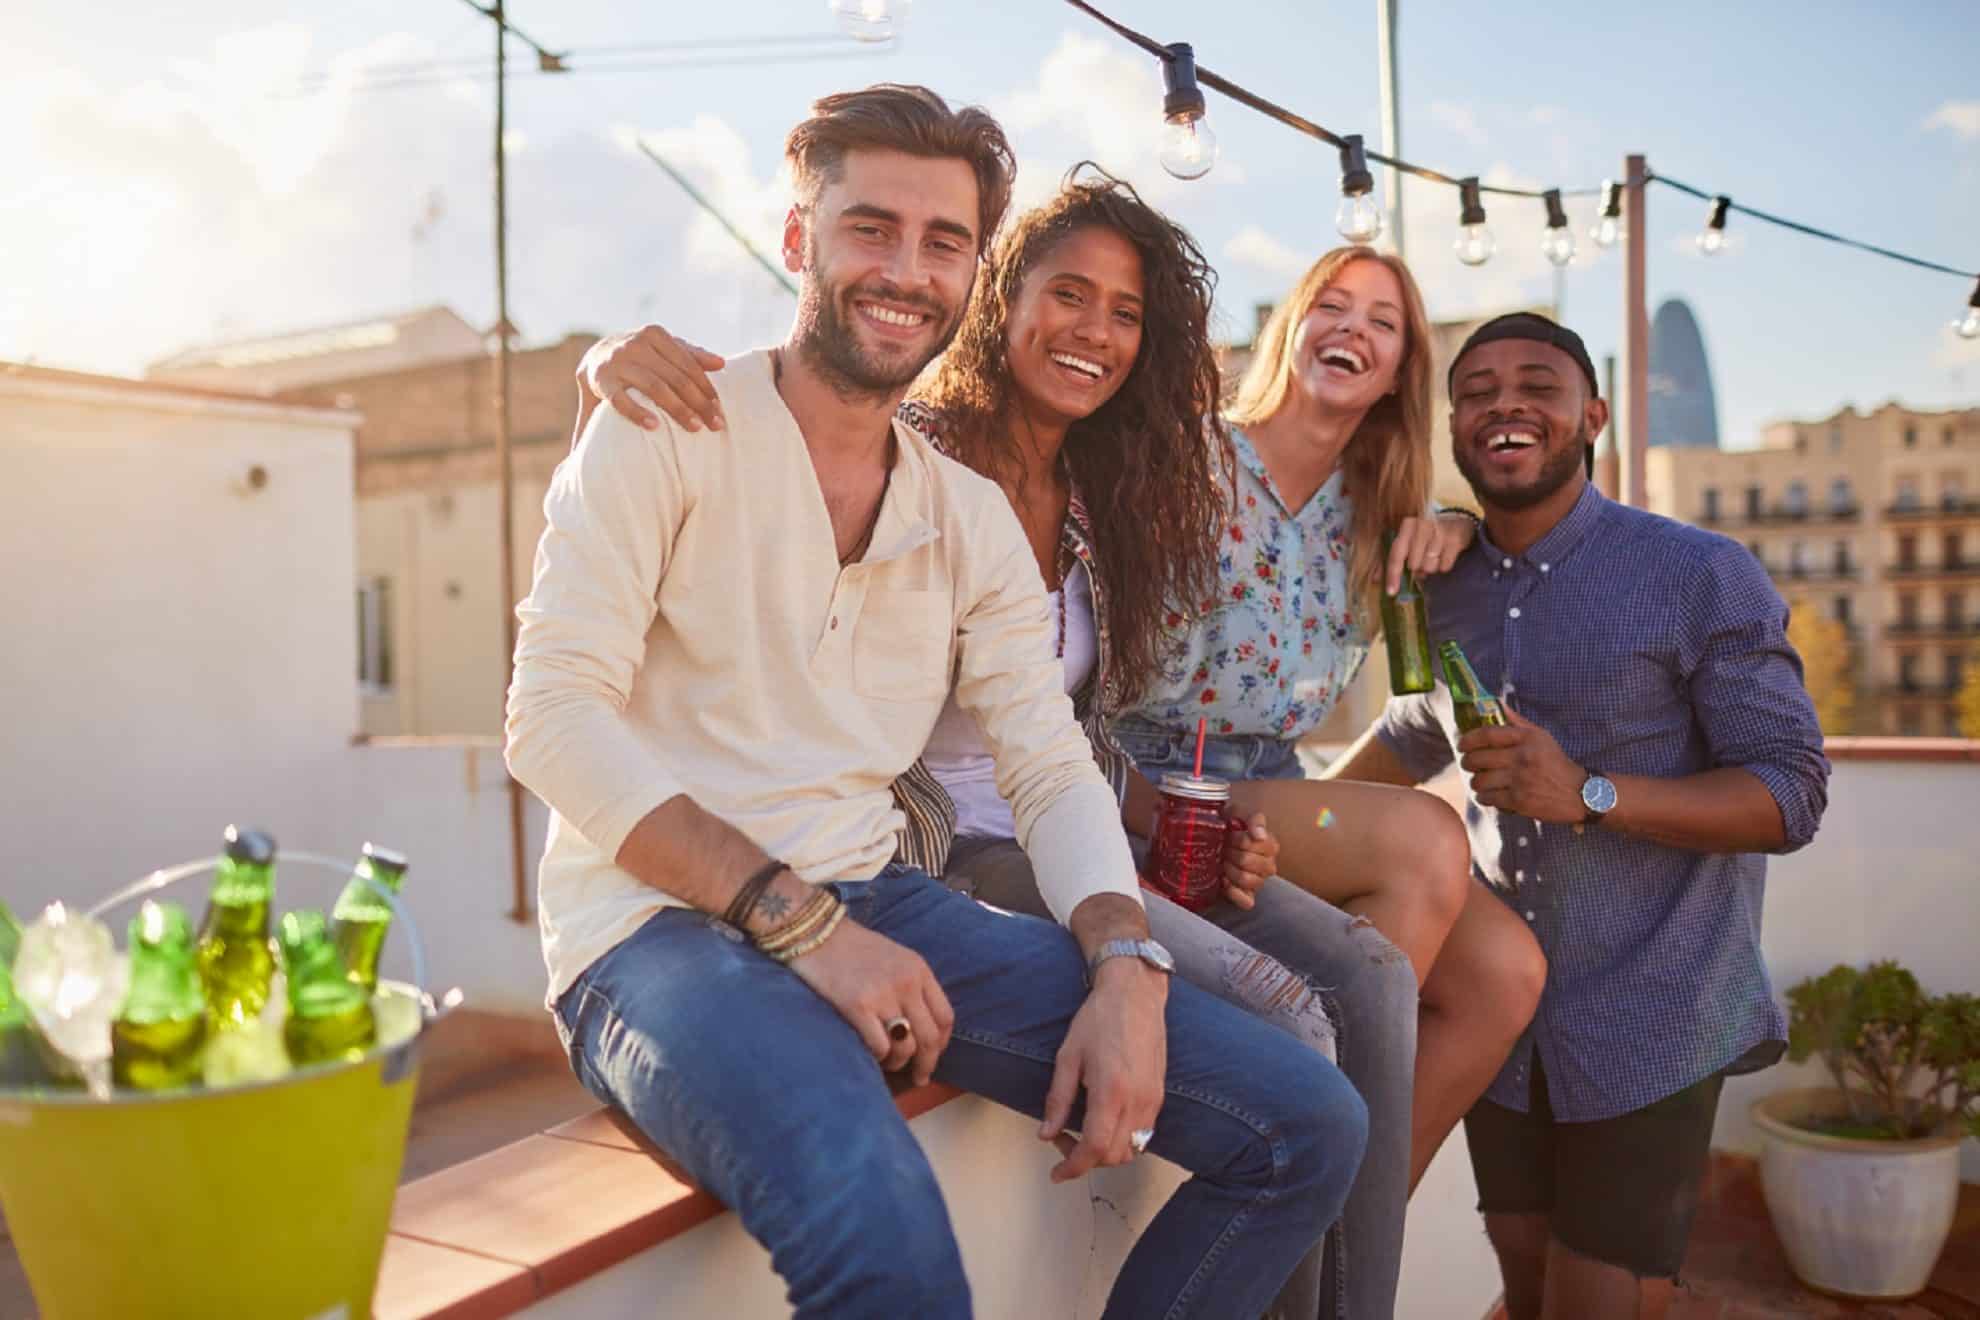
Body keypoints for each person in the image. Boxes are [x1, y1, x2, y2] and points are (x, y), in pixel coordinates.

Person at [506, 84, 1366, 1320]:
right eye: (872, 228)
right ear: (801, 241)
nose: (905, 269)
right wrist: (800, 923)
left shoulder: (960, 514)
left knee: (1308, 1124)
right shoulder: (665, 428)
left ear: (970, 274)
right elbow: (551, 718)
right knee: (894, 1259)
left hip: (878, 895)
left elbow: (1049, 762)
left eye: (944, 241)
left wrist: (1125, 965)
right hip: (654, 934)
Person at [1323, 312, 1830, 1319]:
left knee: (1599, 1298)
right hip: (1501, 1021)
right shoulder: (1446, 583)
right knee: (1525, 1280)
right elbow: (1415, 731)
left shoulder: (1698, 571)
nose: (1505, 402)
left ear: (1591, 414)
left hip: (1656, 1008)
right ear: (1458, 426)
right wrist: (1289, 823)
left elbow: (1790, 791)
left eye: (1538, 384)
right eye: (1477, 390)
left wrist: (1590, 794)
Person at [1109, 247, 1550, 1193]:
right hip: (1143, 779)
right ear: (1292, 328)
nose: (1353, 328)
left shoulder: (1385, 518)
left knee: (1505, 971)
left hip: (1270, 787)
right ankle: (1314, 1179)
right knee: (1429, 840)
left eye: (1383, 323)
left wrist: (1463, 523)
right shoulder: (1183, 456)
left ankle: (1352, 1198)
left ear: (1397, 373)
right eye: (1333, 306)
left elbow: (1459, 593)